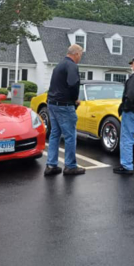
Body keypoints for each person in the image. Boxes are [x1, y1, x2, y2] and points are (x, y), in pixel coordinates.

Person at [44, 44, 85, 176]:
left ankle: (51, 165)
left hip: (52, 103)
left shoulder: (59, 65)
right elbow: (73, 84)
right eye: (81, 55)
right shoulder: (72, 66)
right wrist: (74, 99)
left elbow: (54, 85)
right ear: (77, 54)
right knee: (70, 135)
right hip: (64, 105)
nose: (80, 58)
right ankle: (70, 166)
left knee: (55, 134)